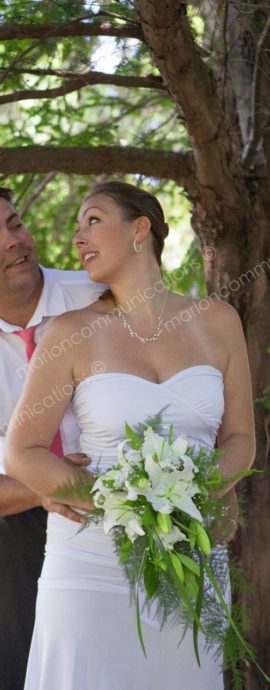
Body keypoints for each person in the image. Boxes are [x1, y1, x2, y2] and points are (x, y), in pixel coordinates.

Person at [4, 181, 255, 690]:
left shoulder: (219, 321)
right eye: (76, 227)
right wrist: (123, 499)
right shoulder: (68, 331)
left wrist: (197, 496)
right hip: (89, 564)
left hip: (191, 559)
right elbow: (23, 451)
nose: (77, 237)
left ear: (141, 229)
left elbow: (241, 440)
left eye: (92, 220)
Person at [0, 187, 105, 690]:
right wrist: (47, 487)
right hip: (14, 528)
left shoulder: (97, 297)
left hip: (116, 504)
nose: (11, 242)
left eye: (15, 223)